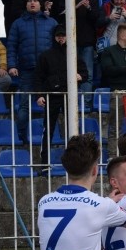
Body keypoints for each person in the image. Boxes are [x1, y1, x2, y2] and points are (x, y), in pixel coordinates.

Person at [33, 24, 90, 167]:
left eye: (63, 35)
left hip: (69, 96)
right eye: (59, 35)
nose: (61, 38)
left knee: (72, 130)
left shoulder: (73, 54)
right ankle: (44, 163)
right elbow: (38, 78)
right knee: (48, 130)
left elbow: (85, 73)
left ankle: (74, 162)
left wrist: (80, 76)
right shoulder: (45, 56)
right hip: (51, 96)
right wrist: (39, 95)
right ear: (54, 37)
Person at [8, 0, 57, 142]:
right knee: (24, 105)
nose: (32, 3)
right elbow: (11, 46)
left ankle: (50, 137)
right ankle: (21, 138)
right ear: (26, 4)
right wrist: (11, 65)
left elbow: (58, 46)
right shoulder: (18, 24)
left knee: (52, 105)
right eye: (29, 1)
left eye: (35, 0)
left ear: (41, 4)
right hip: (27, 70)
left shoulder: (51, 22)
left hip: (48, 71)